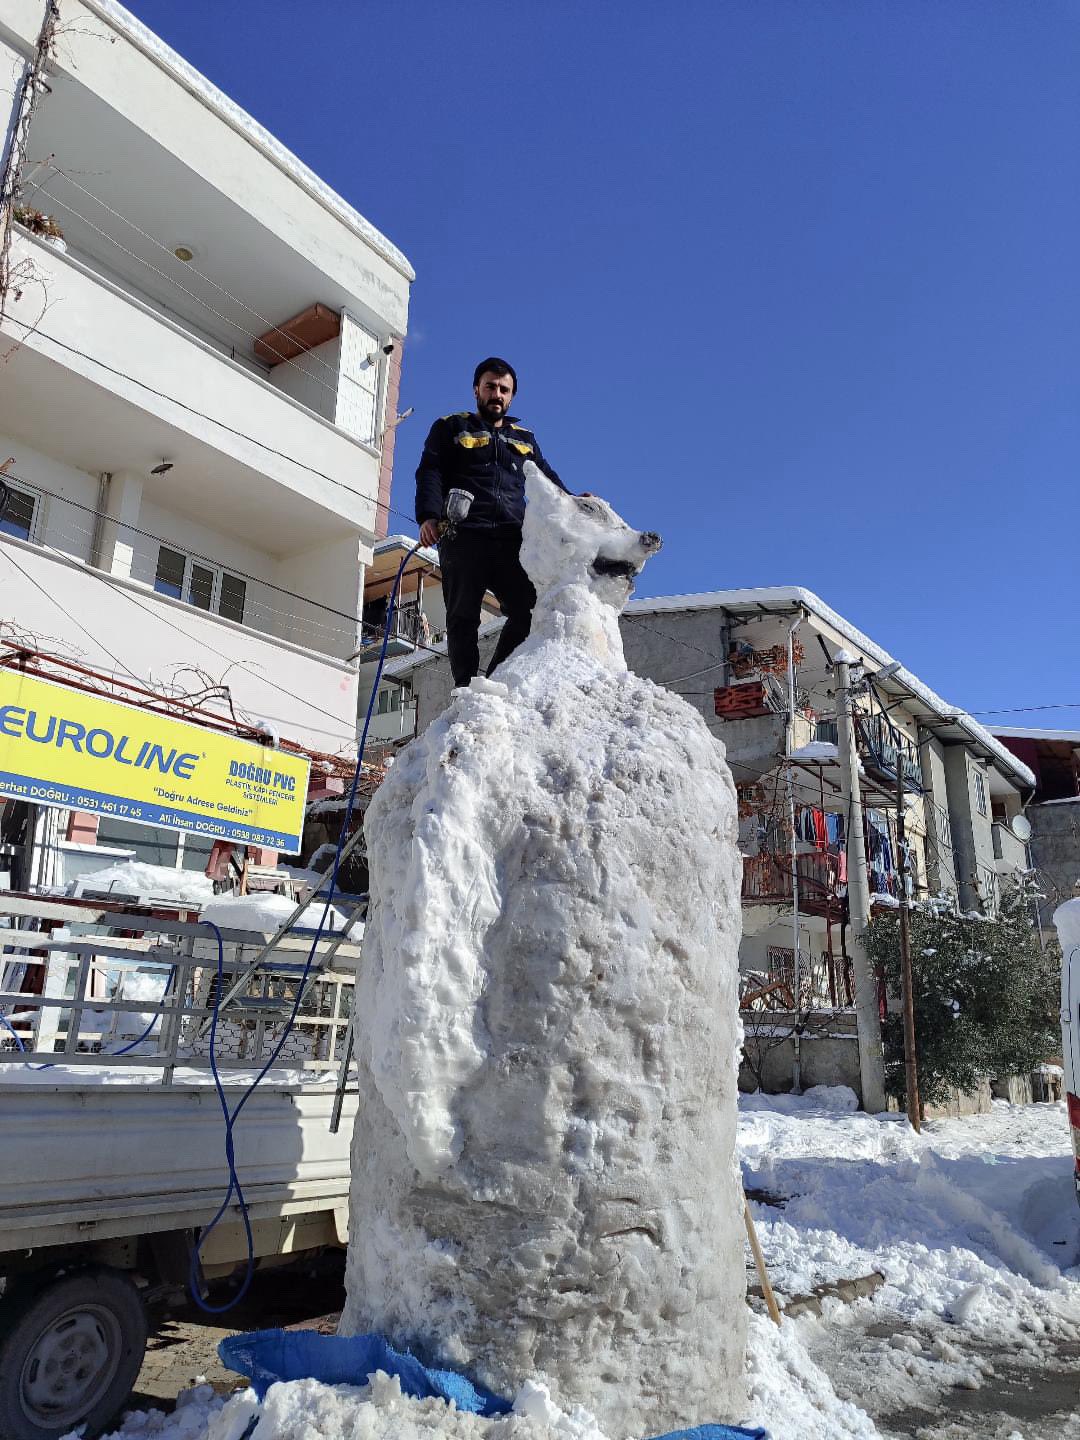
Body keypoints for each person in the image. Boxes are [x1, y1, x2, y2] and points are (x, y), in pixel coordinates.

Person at [415, 357, 569, 687]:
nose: (496, 394)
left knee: (530, 609)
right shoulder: (452, 427)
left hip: (511, 538)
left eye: (504, 389)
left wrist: (574, 502)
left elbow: (547, 479)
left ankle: (494, 682)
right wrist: (429, 516)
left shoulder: (524, 439)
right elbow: (431, 470)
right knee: (462, 616)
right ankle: (466, 689)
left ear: (511, 396)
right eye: (490, 387)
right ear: (476, 390)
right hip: (463, 534)